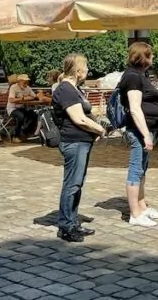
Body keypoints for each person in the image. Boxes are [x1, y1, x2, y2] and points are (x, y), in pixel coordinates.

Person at [52, 54, 105, 243]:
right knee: (72, 184)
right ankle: (66, 226)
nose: (88, 70)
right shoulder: (66, 89)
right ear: (78, 70)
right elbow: (78, 118)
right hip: (74, 143)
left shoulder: (73, 88)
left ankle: (73, 222)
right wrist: (99, 129)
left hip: (82, 142)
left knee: (77, 184)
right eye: (86, 67)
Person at [119, 41, 158, 227]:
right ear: (143, 56)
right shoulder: (132, 77)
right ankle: (135, 214)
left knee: (142, 169)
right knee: (136, 170)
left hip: (146, 129)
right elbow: (135, 108)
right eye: (150, 54)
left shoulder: (140, 75)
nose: (153, 57)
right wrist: (145, 134)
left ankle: (142, 205)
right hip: (138, 130)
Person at [8, 74, 39, 143]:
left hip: (22, 108)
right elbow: (11, 100)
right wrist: (23, 98)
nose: (26, 83)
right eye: (24, 81)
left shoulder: (27, 87)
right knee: (21, 116)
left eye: (27, 81)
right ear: (19, 81)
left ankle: (25, 132)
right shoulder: (13, 87)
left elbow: (34, 97)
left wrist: (30, 97)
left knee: (34, 114)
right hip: (13, 108)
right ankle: (15, 136)